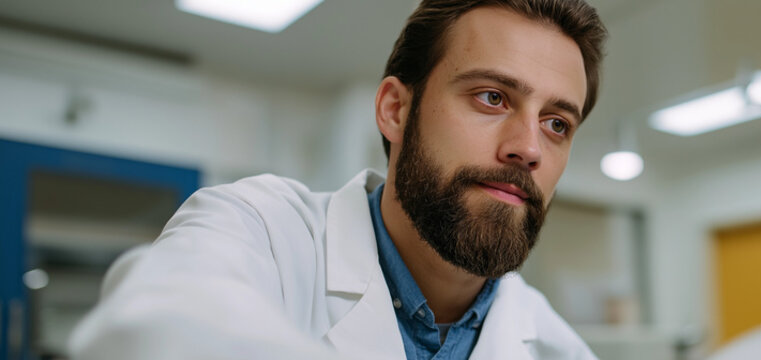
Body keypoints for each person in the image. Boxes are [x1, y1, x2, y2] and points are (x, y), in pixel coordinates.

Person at [69, 0, 607, 359]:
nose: (529, 147)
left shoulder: (557, 347)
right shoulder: (259, 227)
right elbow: (149, 332)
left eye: (557, 123)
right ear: (395, 110)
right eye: (492, 97)